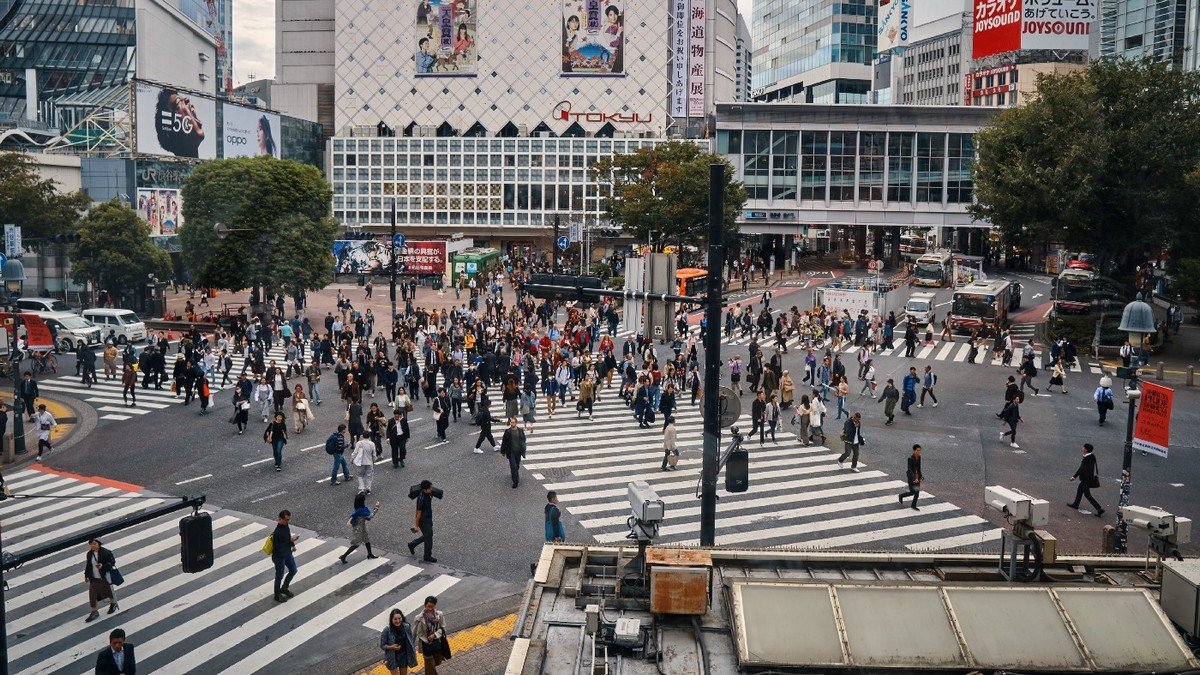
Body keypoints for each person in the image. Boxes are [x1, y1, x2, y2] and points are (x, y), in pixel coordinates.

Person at [340, 492, 381, 563]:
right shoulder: (362, 510)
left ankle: (370, 554)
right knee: (356, 544)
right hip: (358, 529)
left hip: (360, 527)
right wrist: (376, 508)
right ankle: (344, 556)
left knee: (366, 540)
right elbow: (370, 516)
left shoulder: (357, 509)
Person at [84, 538, 118, 622]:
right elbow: (88, 565)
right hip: (94, 578)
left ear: (99, 544)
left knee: (108, 592)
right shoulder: (89, 554)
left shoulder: (106, 552)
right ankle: (94, 611)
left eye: (94, 543)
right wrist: (86, 575)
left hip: (104, 577)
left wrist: (103, 565)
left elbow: (112, 562)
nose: (92, 545)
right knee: (92, 595)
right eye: (91, 544)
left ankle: (113, 604)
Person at [413, 596, 448, 675]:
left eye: (432, 607)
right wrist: (411, 646)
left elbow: (443, 629)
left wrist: (435, 635)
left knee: (437, 662)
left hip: (437, 643)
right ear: (425, 605)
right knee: (430, 665)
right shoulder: (419, 618)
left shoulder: (439, 615)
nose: (430, 609)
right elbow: (413, 633)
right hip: (425, 644)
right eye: (428, 606)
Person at [1067, 443, 1104, 516]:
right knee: (1080, 491)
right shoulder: (1091, 456)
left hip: (1085, 479)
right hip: (1088, 478)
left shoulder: (1087, 458)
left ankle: (1099, 509)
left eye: (1083, 447)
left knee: (1087, 495)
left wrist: (1074, 477)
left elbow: (1082, 469)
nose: (1082, 448)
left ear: (1086, 449)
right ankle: (1076, 504)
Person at [270, 510, 299, 602]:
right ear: (280, 519)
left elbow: (287, 537)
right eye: (286, 520)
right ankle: (277, 594)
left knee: (293, 570)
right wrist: (290, 540)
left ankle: (284, 588)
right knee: (279, 576)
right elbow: (278, 547)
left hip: (287, 554)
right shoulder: (277, 532)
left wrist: (293, 544)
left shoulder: (286, 526)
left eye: (289, 519)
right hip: (279, 557)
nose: (288, 521)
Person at [379, 608, 418, 675]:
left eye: (399, 618)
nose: (398, 621)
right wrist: (391, 647)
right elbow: (382, 645)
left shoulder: (406, 627)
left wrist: (412, 653)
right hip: (392, 657)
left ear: (402, 617)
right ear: (391, 620)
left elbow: (410, 641)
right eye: (395, 619)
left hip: (403, 656)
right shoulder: (387, 630)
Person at [408, 480, 437, 563]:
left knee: (428, 535)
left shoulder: (427, 493)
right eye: (429, 488)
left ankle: (412, 544)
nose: (431, 489)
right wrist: (416, 525)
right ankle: (427, 556)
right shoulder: (421, 498)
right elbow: (418, 512)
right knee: (429, 537)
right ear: (425, 490)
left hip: (428, 517)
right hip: (423, 520)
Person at [499, 416, 527, 488]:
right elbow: (504, 442)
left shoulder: (520, 431)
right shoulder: (507, 431)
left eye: (513, 422)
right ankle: (515, 481)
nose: (512, 424)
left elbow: (523, 440)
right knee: (513, 466)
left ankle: (514, 474)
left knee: (517, 465)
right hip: (511, 451)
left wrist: (523, 451)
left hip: (518, 452)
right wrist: (503, 451)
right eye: (511, 422)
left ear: (516, 423)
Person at [897, 445, 922, 510]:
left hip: (917, 478)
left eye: (919, 450)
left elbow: (919, 468)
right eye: (917, 450)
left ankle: (913, 505)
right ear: (914, 451)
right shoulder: (910, 459)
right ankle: (901, 496)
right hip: (911, 478)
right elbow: (909, 470)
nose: (919, 452)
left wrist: (920, 476)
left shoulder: (919, 457)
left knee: (917, 493)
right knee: (912, 492)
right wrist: (914, 478)